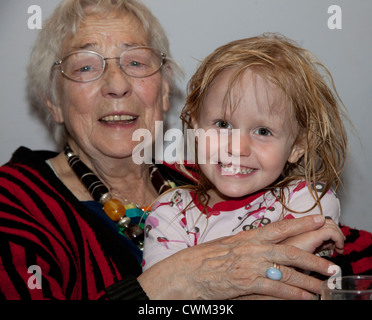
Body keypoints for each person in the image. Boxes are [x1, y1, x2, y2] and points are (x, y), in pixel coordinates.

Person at [0, 0, 344, 300]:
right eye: (86, 66)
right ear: (52, 100)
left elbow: (342, 256)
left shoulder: (210, 174)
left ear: (166, 90)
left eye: (135, 62)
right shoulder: (15, 201)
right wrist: (180, 279)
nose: (117, 85)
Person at [143, 34, 347, 271]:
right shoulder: (171, 213)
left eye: (263, 131)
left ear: (296, 147)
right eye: (222, 124)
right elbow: (164, 296)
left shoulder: (306, 200)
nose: (237, 148)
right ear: (196, 128)